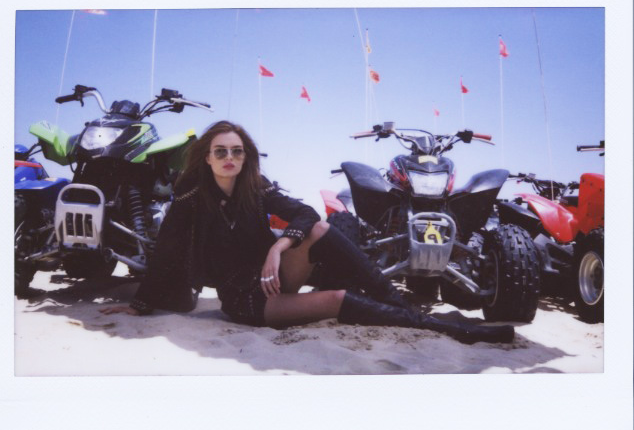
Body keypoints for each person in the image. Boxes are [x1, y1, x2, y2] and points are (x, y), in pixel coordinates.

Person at [102, 121, 514, 344]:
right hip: (246, 301)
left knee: (316, 227)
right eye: (220, 151)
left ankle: (398, 304)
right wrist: (140, 303)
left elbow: (304, 212)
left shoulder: (255, 189)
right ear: (207, 158)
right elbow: (167, 251)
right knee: (337, 299)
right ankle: (447, 328)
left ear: (245, 158)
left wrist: (278, 246)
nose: (229, 157)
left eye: (237, 151)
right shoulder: (190, 199)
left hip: (273, 276)